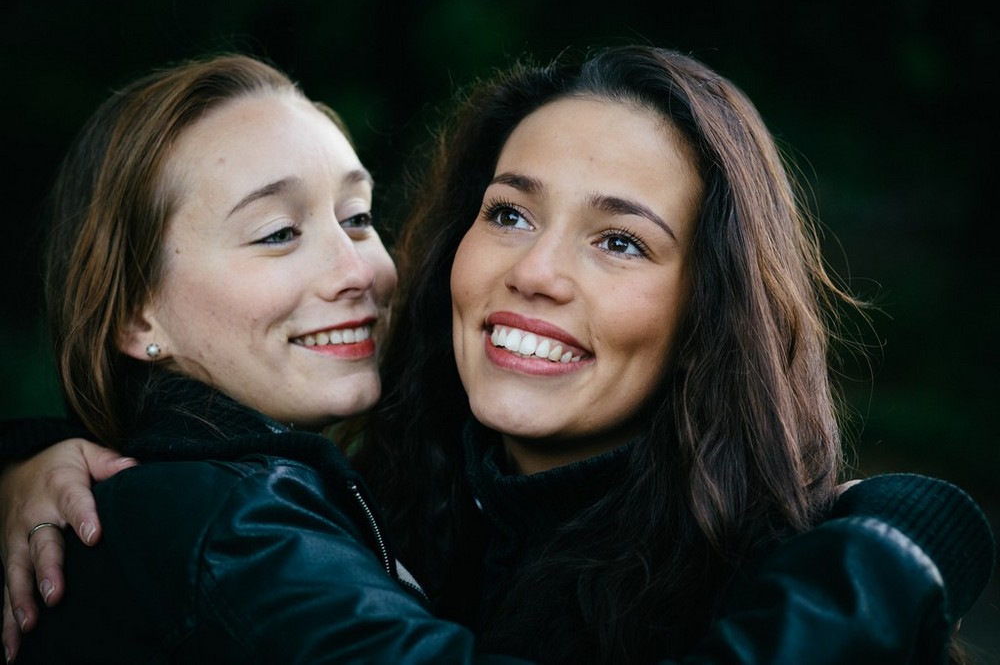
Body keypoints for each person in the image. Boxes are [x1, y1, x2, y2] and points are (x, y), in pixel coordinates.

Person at [1, 46, 994, 664]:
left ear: (711, 310)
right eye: (509, 213)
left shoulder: (775, 579)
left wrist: (887, 549)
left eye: (620, 240)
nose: (537, 272)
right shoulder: (351, 518)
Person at [0, 51, 537, 664]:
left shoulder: (209, 494)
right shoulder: (233, 518)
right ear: (134, 315)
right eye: (278, 233)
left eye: (358, 218)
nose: (356, 270)